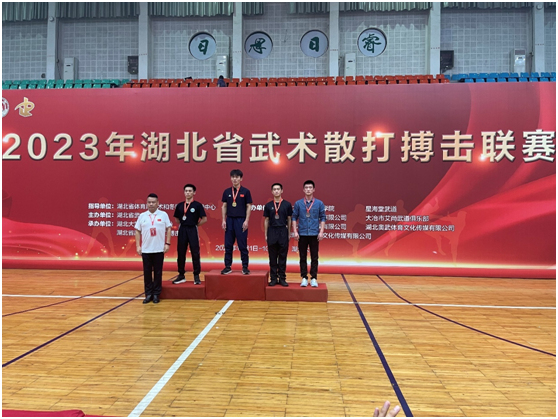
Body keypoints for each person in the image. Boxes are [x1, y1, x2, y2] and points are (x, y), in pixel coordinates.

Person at [135, 193, 172, 304]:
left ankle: (156, 294)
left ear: (158, 203)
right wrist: (138, 246)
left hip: (159, 249)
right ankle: (148, 294)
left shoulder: (163, 215)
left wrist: (167, 243)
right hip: (146, 250)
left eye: (153, 202)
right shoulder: (142, 216)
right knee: (147, 273)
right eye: (149, 202)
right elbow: (137, 231)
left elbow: (169, 228)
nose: (151, 204)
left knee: (158, 273)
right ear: (147, 203)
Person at [292, 180, 326, 287]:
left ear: (314, 189)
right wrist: (295, 231)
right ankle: (304, 277)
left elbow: (323, 218)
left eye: (310, 187)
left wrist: (321, 232)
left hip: (314, 234)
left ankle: (314, 278)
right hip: (302, 234)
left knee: (314, 257)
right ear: (303, 189)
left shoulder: (319, 203)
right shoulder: (298, 203)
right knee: (302, 257)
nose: (308, 189)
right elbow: (294, 217)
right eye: (306, 188)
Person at [173, 184, 207, 285]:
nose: (188, 193)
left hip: (193, 229)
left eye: (190, 191)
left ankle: (196, 275)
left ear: (194, 193)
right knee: (181, 252)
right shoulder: (180, 205)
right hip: (182, 229)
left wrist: (195, 225)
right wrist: (184, 224)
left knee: (195, 252)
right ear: (184, 192)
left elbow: (204, 219)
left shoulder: (197, 205)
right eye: (186, 191)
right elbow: (177, 219)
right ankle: (181, 275)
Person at [221, 169, 252, 275]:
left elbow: (249, 206)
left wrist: (246, 220)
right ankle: (227, 266)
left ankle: (245, 267)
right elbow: (224, 206)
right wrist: (223, 220)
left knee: (242, 245)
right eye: (233, 177)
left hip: (241, 220)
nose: (235, 179)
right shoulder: (227, 192)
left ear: (241, 178)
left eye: (237, 177)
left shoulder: (245, 191)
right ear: (230, 178)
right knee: (228, 245)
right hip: (229, 220)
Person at [263, 183, 292, 287]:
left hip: (283, 231)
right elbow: (266, 220)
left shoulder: (287, 204)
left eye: (278, 189)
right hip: (272, 231)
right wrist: (266, 234)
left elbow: (289, 219)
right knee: (272, 257)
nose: (276, 191)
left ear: (281, 191)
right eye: (274, 189)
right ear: (272, 191)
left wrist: (289, 233)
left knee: (283, 257)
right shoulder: (268, 205)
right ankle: (273, 278)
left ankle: (282, 278)